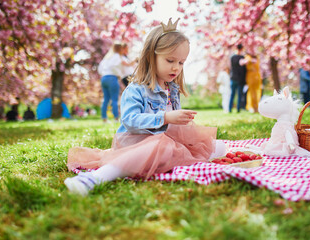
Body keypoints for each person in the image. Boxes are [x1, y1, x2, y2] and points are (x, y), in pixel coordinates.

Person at [64, 18, 227, 196]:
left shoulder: (171, 88)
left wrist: (181, 124)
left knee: (215, 146)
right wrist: (165, 118)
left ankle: (175, 156)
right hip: (136, 142)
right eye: (170, 60)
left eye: (181, 62)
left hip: (164, 140)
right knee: (163, 148)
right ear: (151, 57)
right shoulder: (136, 90)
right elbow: (130, 120)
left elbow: (171, 127)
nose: (176, 67)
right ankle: (96, 177)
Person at [98, 43, 124, 123]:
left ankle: (104, 118)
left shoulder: (107, 57)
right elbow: (114, 66)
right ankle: (116, 118)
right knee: (114, 99)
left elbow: (99, 69)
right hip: (112, 78)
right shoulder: (117, 56)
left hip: (104, 78)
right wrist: (119, 74)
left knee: (106, 99)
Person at [228, 44, 246, 113]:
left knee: (232, 94)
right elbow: (243, 70)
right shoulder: (242, 57)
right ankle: (238, 109)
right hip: (240, 79)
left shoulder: (232, 57)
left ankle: (230, 109)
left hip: (233, 78)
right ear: (242, 49)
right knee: (239, 95)